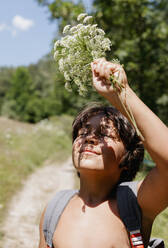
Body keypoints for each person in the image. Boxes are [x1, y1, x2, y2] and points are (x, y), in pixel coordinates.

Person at [38, 58, 168, 248]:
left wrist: (122, 93)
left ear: (127, 157)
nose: (88, 138)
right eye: (83, 132)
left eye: (104, 134)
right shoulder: (54, 210)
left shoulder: (137, 203)